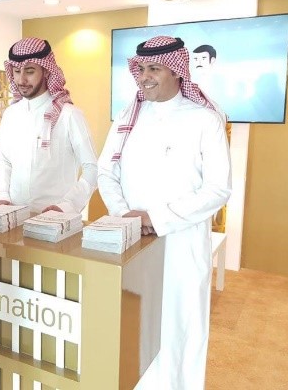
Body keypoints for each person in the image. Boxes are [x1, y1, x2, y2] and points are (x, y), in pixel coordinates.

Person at [98, 36, 231, 389]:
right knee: (134, 328)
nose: (144, 76)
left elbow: (218, 189)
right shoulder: (127, 117)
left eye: (154, 68)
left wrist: (156, 219)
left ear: (176, 71)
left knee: (178, 331)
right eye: (141, 68)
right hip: (132, 244)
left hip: (182, 247)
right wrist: (125, 215)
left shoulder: (205, 120)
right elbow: (105, 171)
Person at [0, 37, 97, 213]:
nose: (21, 80)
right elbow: (3, 160)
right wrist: (1, 196)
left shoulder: (69, 115)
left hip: (57, 219)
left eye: (30, 71)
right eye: (16, 71)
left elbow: (92, 168)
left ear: (46, 71)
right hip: (14, 215)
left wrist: (68, 205)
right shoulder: (10, 114)